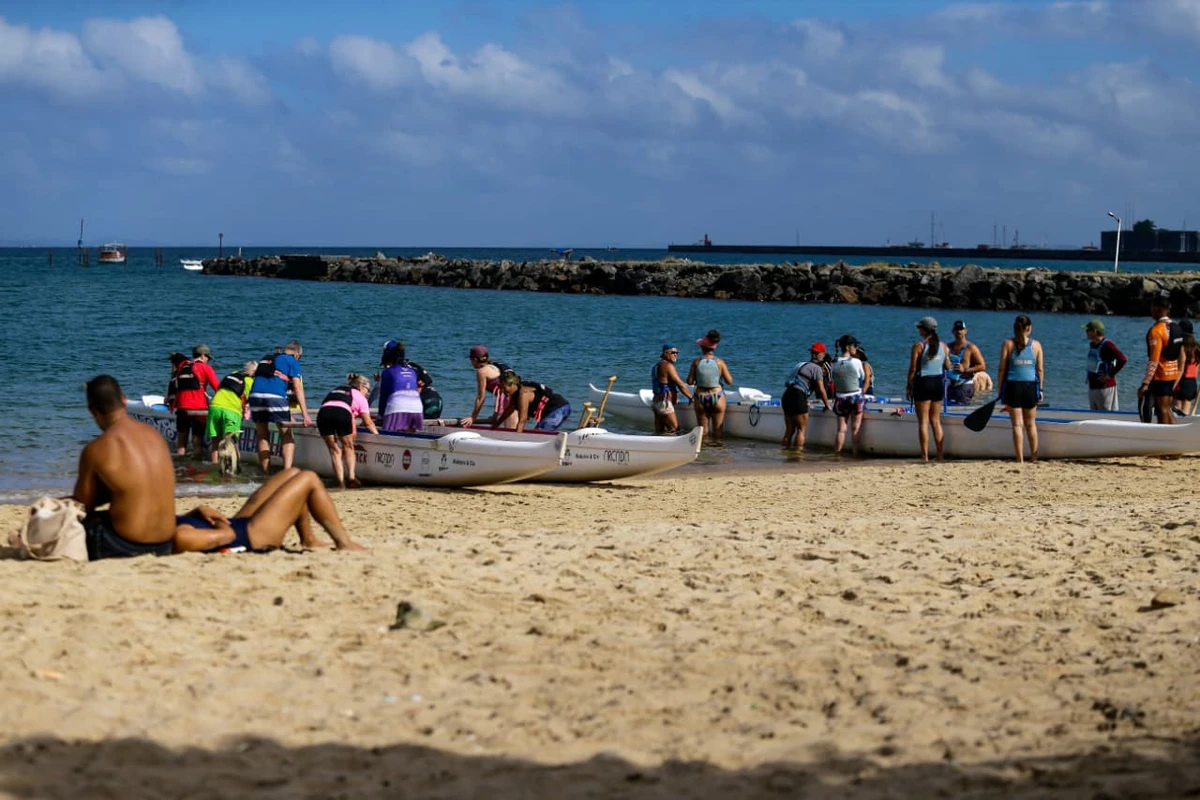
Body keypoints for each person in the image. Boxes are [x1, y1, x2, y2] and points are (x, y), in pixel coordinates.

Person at [73, 375, 178, 560]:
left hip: (125, 545)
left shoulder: (97, 448)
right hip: (166, 543)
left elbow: (82, 505)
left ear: (92, 411)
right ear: (123, 400)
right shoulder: (155, 436)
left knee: (78, 523)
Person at [174, 468, 365, 553]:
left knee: (292, 473)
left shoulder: (164, 526)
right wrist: (219, 522)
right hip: (250, 537)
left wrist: (196, 511)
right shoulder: (181, 537)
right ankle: (344, 542)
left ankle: (309, 540)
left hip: (239, 524)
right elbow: (227, 536)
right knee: (309, 478)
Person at [249, 340, 310, 473]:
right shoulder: (292, 360)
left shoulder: (266, 358)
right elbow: (297, 388)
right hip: (275, 396)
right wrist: (305, 415)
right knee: (287, 433)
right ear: (297, 354)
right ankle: (287, 472)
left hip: (255, 396)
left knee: (262, 435)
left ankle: (266, 472)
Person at [317, 373, 378, 489]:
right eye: (368, 390)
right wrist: (377, 436)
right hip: (342, 412)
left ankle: (340, 483)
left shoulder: (336, 390)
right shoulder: (360, 397)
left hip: (323, 413)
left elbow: (328, 404)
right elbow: (368, 422)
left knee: (334, 450)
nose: (368, 393)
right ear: (361, 386)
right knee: (348, 446)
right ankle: (351, 477)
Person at [997, 314, 1044, 463]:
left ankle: (1020, 459)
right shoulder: (1036, 345)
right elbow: (1040, 370)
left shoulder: (1008, 344)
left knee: (1017, 425)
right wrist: (1041, 389)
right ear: (1028, 328)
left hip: (1013, 386)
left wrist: (1000, 389)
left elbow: (1002, 369)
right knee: (1031, 424)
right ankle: (1034, 457)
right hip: (1030, 387)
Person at [906, 316, 948, 462]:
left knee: (923, 422)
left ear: (924, 330)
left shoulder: (919, 346)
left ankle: (925, 456)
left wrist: (908, 386)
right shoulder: (944, 346)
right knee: (936, 421)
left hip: (923, 382)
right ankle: (940, 454)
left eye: (919, 327)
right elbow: (948, 366)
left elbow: (912, 369)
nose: (918, 330)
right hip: (938, 383)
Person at [1138, 294, 1184, 425]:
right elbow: (1179, 355)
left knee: (1162, 410)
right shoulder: (1176, 327)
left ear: (1158, 308)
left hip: (1161, 376)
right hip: (1172, 375)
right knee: (1166, 408)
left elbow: (1154, 359)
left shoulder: (1156, 331)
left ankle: (1167, 437)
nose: (1151, 310)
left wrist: (1145, 383)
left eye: (1152, 307)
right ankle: (1175, 435)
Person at [166, 344, 219, 458]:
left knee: (182, 438)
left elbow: (173, 383)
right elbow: (217, 388)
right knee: (197, 439)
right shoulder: (206, 368)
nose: (208, 361)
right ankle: (196, 467)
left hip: (182, 407)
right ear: (203, 356)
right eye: (208, 358)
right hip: (200, 409)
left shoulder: (182, 366)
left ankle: (181, 465)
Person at [481, 369, 572, 431]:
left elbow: (522, 421)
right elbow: (509, 410)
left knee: (539, 433)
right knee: (538, 433)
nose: (502, 391)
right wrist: (494, 428)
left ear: (512, 384)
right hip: (553, 411)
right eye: (501, 388)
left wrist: (517, 440)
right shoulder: (514, 393)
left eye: (504, 388)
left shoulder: (523, 394)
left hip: (560, 408)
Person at [686, 329, 734, 444]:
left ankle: (704, 453)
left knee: (703, 430)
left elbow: (689, 381)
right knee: (718, 430)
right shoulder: (720, 362)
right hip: (717, 396)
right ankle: (718, 454)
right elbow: (729, 381)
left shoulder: (696, 362)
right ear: (714, 347)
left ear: (702, 347)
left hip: (700, 396)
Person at [782, 342, 831, 449]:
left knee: (789, 430)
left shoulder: (800, 364)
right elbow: (821, 389)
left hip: (786, 395)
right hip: (798, 396)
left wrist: (806, 399)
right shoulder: (816, 368)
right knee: (801, 429)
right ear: (822, 354)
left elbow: (796, 381)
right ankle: (797, 455)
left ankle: (785, 453)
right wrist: (827, 405)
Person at [207, 360, 257, 463]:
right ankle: (234, 471)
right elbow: (249, 400)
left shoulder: (233, 374)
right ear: (255, 372)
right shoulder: (250, 382)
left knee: (215, 442)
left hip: (214, 406)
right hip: (231, 410)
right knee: (232, 443)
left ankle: (214, 466)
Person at [460, 345, 514, 429]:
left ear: (474, 360)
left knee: (512, 435)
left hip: (512, 403)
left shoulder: (482, 372)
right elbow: (501, 391)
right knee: (515, 432)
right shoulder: (496, 366)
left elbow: (480, 398)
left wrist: (472, 417)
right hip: (518, 399)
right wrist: (495, 415)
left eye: (471, 360)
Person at [376, 341, 425, 432]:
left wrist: (380, 416)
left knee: (389, 436)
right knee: (409, 439)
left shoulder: (388, 372)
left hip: (397, 408)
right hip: (417, 409)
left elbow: (384, 396)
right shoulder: (412, 371)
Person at [831, 335, 866, 455]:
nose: (856, 348)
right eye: (855, 346)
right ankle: (855, 453)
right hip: (855, 396)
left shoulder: (833, 363)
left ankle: (837, 453)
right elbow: (862, 377)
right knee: (855, 428)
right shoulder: (856, 362)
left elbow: (832, 379)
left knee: (841, 430)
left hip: (840, 397)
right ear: (848, 347)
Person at [1083, 319, 1127, 412]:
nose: (1086, 332)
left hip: (1105, 387)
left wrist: (1110, 375)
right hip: (1093, 386)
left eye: (1088, 330)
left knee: (1106, 415)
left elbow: (1122, 359)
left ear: (1095, 331)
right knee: (1094, 416)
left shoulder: (1108, 345)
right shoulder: (1093, 344)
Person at [651, 344, 694, 434]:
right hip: (664, 404)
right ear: (666, 353)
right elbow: (680, 385)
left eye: (676, 353)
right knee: (674, 430)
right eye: (673, 353)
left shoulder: (657, 365)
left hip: (657, 402)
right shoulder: (668, 366)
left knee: (660, 431)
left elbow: (665, 383)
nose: (676, 355)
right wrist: (690, 397)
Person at [946, 320, 986, 405]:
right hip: (950, 385)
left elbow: (982, 366)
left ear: (965, 331)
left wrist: (965, 370)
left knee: (961, 413)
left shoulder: (971, 348)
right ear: (953, 331)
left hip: (964, 385)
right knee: (948, 412)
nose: (959, 331)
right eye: (957, 329)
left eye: (961, 329)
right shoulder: (948, 347)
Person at [1175, 320, 1199, 416]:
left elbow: (1180, 367)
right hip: (1192, 382)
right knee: (1186, 412)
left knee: (1176, 409)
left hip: (1181, 380)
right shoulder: (1197, 347)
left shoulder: (1182, 346)